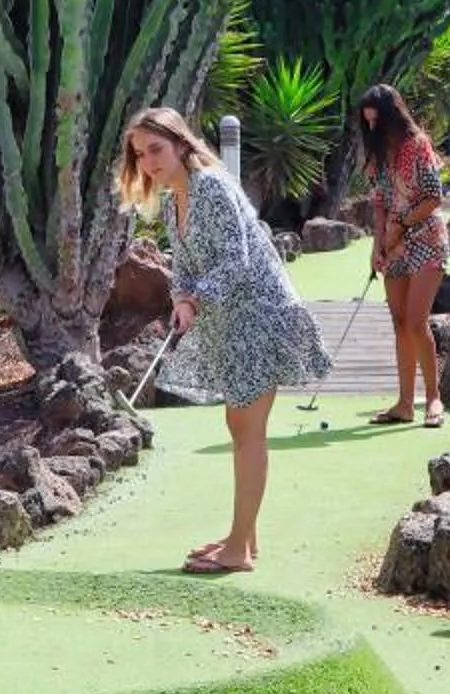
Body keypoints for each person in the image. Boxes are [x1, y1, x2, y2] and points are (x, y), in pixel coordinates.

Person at [120, 106, 334, 575]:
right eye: (140, 155)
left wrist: (196, 300)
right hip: (230, 322)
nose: (149, 161)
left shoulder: (211, 186)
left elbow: (237, 260)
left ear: (180, 143)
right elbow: (186, 265)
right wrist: (181, 296)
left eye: (156, 149)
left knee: (247, 427)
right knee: (240, 427)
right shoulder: (177, 198)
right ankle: (244, 538)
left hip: (259, 313)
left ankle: (239, 549)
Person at [356, 83, 450, 428]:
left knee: (415, 321)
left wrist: (402, 225)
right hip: (395, 245)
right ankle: (405, 404)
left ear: (392, 116)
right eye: (367, 123)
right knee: (399, 324)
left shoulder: (418, 145)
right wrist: (377, 246)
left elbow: (433, 197)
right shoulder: (381, 156)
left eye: (376, 122)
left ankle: (435, 399)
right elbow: (380, 205)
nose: (372, 129)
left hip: (426, 239)